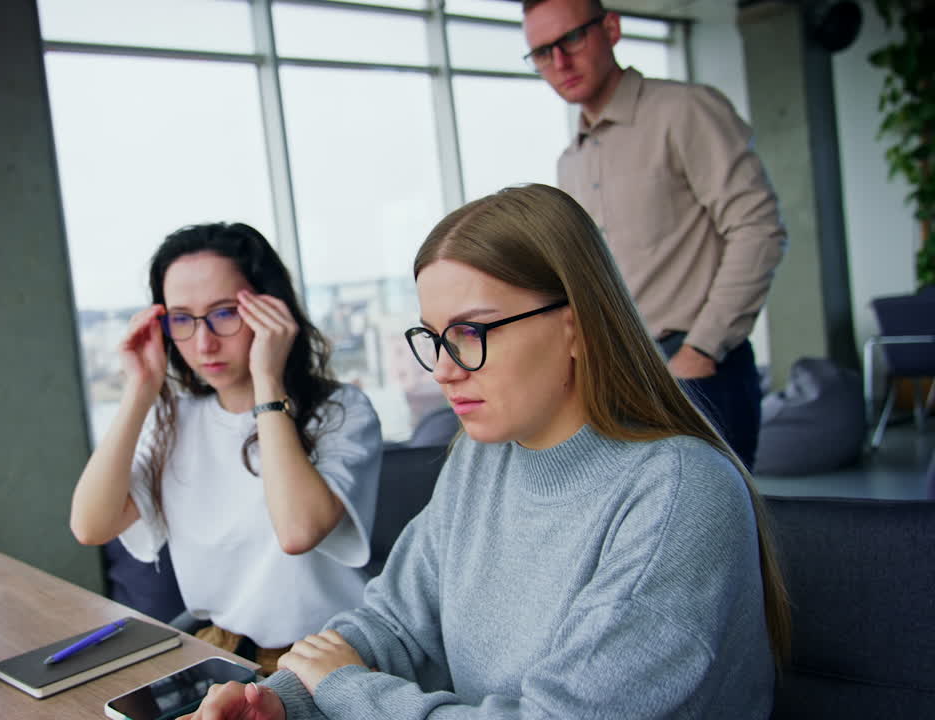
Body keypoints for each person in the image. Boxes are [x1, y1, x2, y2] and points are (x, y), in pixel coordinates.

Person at [185, 185, 790, 719]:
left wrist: (345, 689)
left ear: (575, 325)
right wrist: (282, 704)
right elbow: (396, 626)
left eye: (471, 332)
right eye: (433, 337)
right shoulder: (483, 458)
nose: (444, 370)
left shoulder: (679, 494)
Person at [69, 222, 382, 676]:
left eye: (224, 313)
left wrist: (268, 382)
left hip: (331, 656)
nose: (204, 342)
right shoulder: (172, 418)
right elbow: (90, 525)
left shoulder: (339, 410)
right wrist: (140, 389)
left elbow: (298, 532)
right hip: (223, 652)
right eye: (182, 318)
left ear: (270, 312)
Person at [522, 0, 787, 469]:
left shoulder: (685, 110)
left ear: (611, 27)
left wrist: (701, 349)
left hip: (698, 370)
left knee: (716, 532)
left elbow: (758, 227)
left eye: (571, 40)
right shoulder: (571, 161)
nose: (559, 62)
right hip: (622, 375)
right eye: (543, 52)